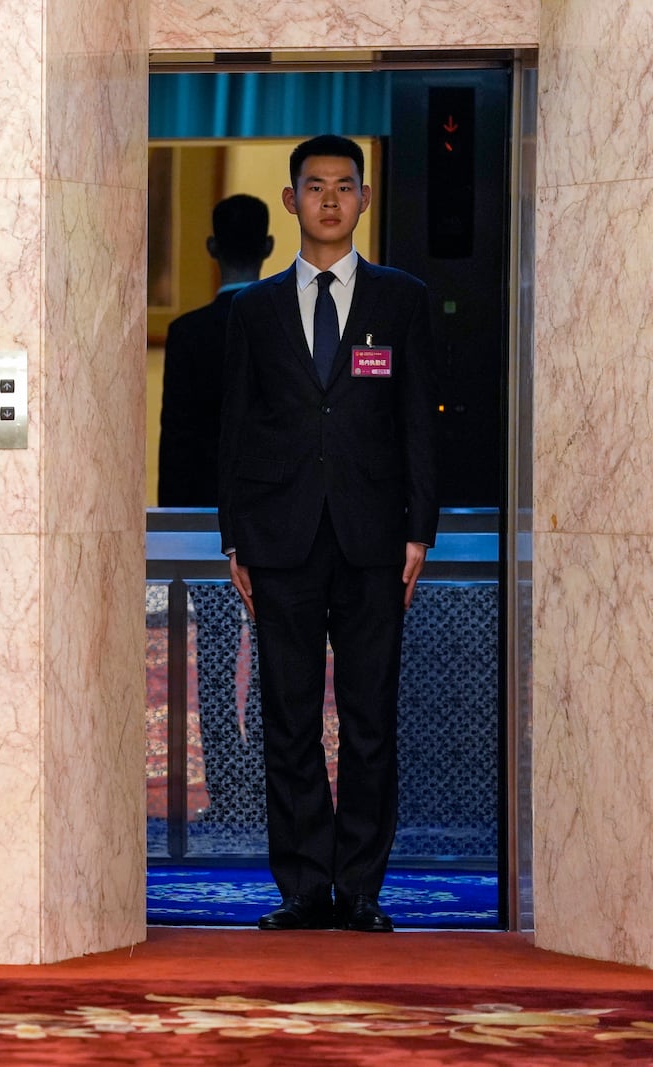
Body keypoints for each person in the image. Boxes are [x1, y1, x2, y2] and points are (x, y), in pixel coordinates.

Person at [218, 135, 437, 933]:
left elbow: (418, 421)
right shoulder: (256, 309)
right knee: (290, 717)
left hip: (376, 539)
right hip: (279, 539)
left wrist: (422, 530)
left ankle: (363, 889)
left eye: (346, 187)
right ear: (291, 201)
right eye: (316, 187)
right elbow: (235, 429)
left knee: (373, 717)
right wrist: (231, 536)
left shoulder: (400, 300)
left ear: (366, 199)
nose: (331, 200)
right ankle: (305, 885)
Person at [158, 196, 275, 828]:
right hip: (273, 520)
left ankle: (229, 793)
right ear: (267, 248)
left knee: (214, 655)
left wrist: (181, 523)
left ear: (210, 250)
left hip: (205, 522)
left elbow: (175, 434)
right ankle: (263, 790)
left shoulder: (188, 334)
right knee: (275, 653)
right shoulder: (282, 325)